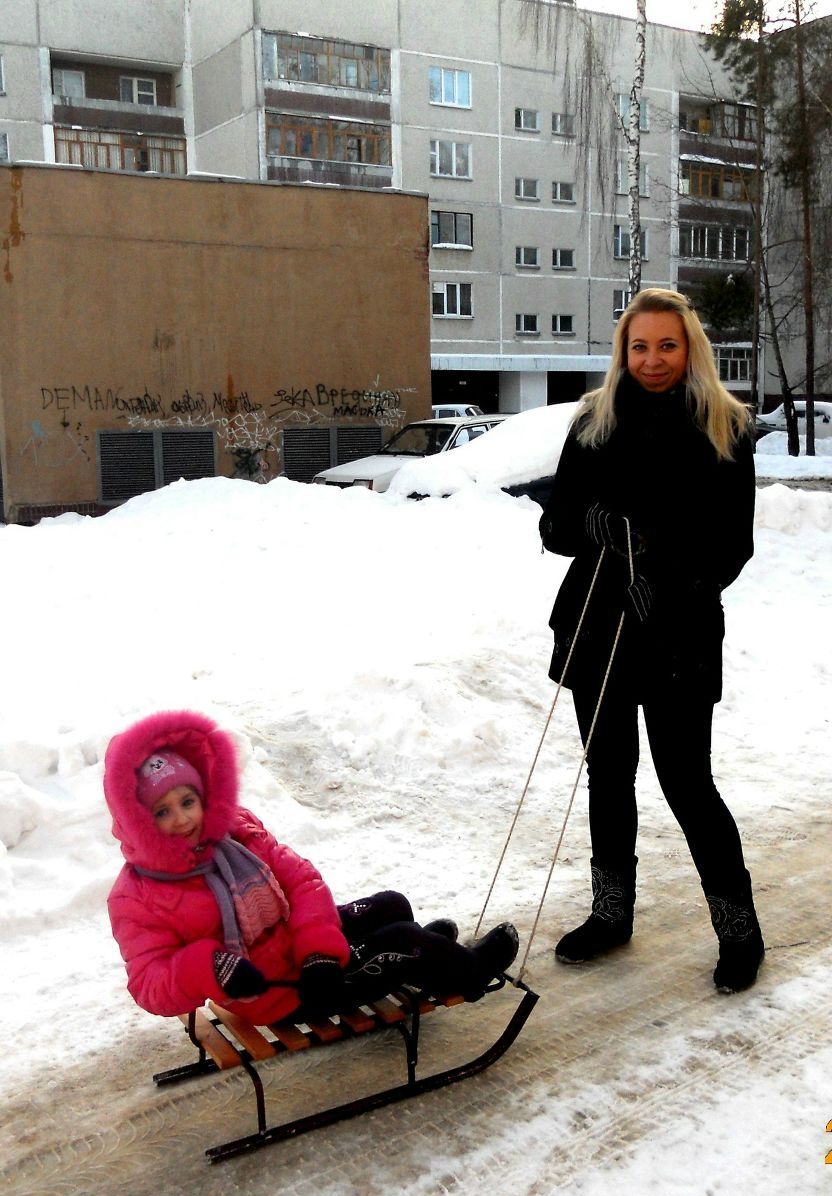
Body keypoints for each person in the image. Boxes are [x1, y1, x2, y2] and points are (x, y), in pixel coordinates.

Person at [538, 288, 764, 993]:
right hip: (598, 629)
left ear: (689, 347)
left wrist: (668, 584)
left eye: (667, 345)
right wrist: (591, 525)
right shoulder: (593, 424)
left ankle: (739, 930)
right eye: (640, 346)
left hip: (678, 636)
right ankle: (612, 915)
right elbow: (555, 528)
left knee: (687, 783)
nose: (653, 358)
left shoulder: (722, 428)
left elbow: (734, 546)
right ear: (622, 351)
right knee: (608, 775)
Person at [104, 708, 519, 1024]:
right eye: (162, 811)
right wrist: (210, 969)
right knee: (402, 937)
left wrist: (318, 952)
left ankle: (420, 959)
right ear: (140, 820)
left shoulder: (236, 833)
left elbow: (301, 882)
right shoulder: (137, 896)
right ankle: (465, 971)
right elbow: (149, 982)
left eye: (187, 802)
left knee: (392, 903)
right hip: (281, 992)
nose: (181, 819)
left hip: (301, 957)